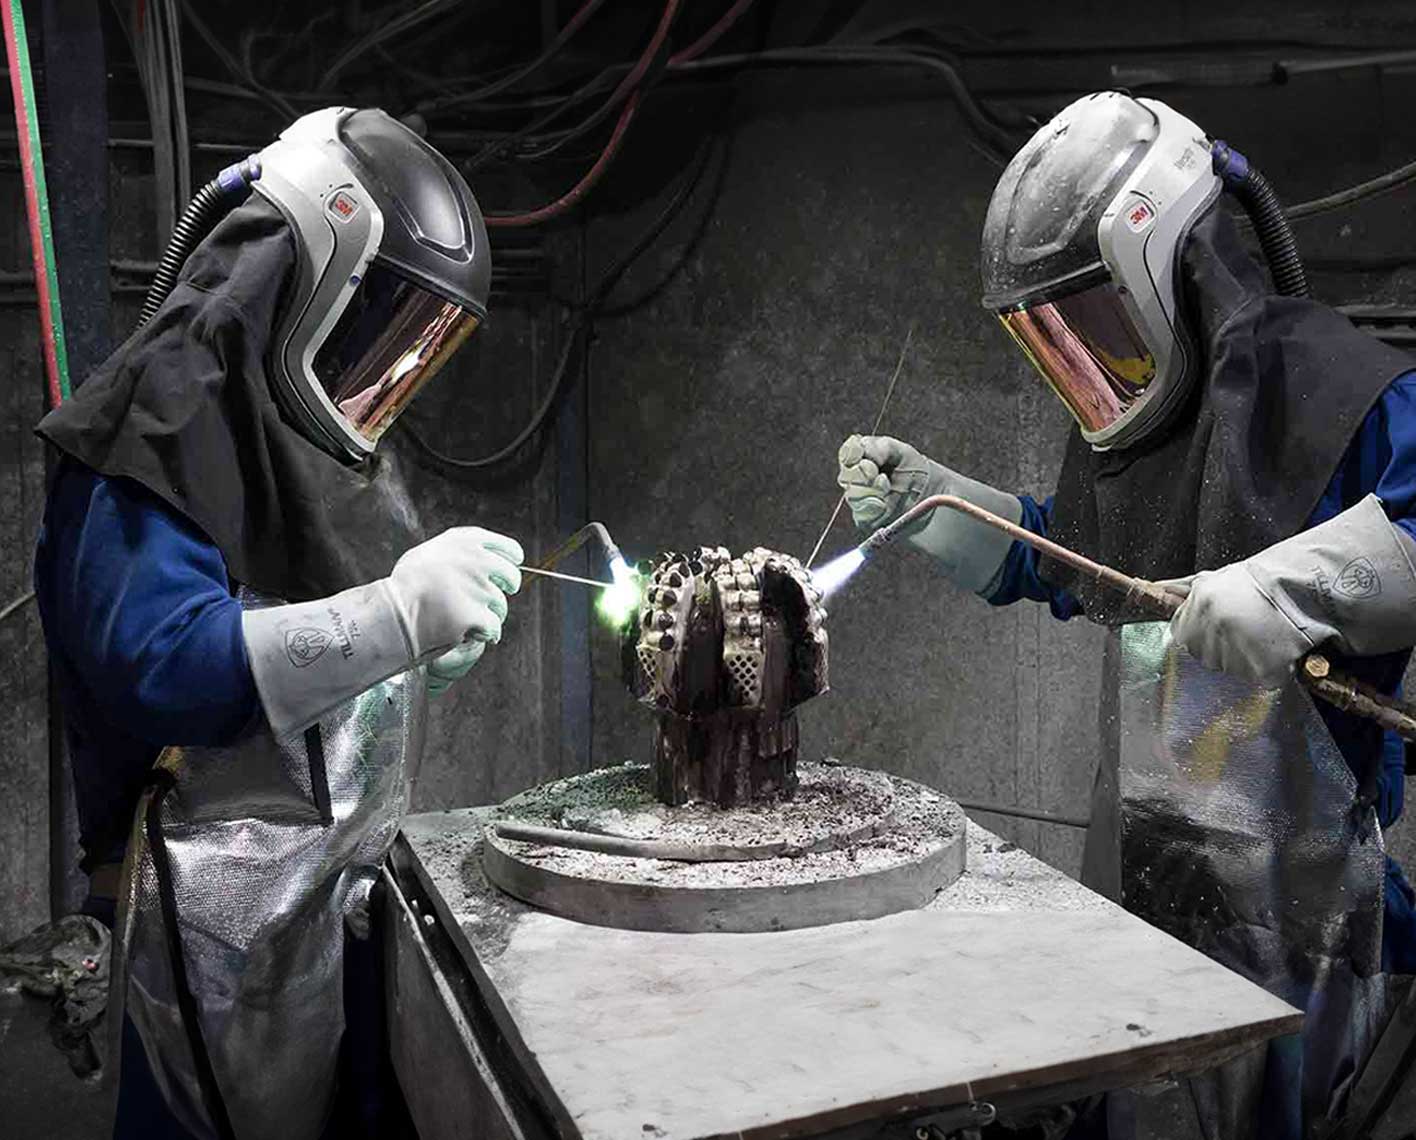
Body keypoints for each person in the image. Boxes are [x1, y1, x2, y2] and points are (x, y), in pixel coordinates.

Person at [837, 92, 1416, 1138]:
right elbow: (1079, 566)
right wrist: (945, 507)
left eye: (1096, 321)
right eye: (1051, 338)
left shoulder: (1338, 392)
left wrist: (1297, 585)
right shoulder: (1143, 439)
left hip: (1307, 920)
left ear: (1171, 270)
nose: (1086, 363)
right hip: (1148, 883)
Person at [33, 107, 522, 1140]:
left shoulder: (294, 430)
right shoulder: (150, 436)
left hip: (323, 914)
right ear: (303, 281)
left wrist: (410, 662)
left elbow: (312, 637)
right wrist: (395, 617)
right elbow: (170, 668)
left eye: (417, 345)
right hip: (204, 943)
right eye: (380, 322)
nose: (386, 370)